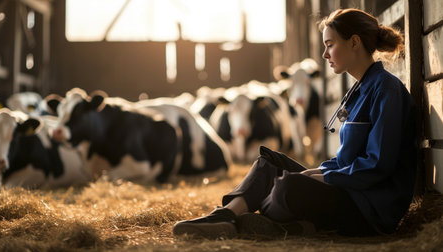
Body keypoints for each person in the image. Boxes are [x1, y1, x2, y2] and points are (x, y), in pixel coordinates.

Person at [172, 8, 417, 238]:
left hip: (369, 209)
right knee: (269, 162)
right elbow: (345, 160)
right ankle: (226, 216)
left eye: (330, 45)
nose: (324, 55)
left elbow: (376, 165)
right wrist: (318, 171)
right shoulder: (358, 91)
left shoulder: (386, 90)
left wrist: (323, 177)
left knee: (290, 185)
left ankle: (275, 223)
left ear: (354, 42)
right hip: (349, 191)